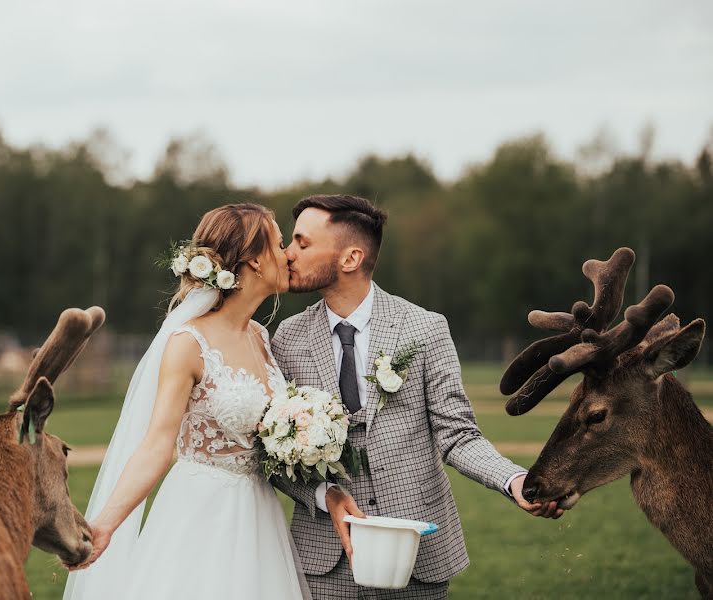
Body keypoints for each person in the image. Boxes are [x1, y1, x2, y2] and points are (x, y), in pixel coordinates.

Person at [271, 195, 563, 600]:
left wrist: (514, 480)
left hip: (416, 556)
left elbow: (458, 434)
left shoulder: (425, 329)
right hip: (324, 561)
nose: (286, 254)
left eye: (302, 244)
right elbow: (271, 451)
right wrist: (323, 495)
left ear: (351, 258)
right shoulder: (287, 338)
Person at [63, 203, 310, 599]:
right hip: (200, 515)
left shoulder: (261, 337)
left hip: (260, 517)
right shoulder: (188, 344)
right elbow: (157, 445)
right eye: (280, 244)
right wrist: (105, 524)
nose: (288, 255)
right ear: (254, 261)